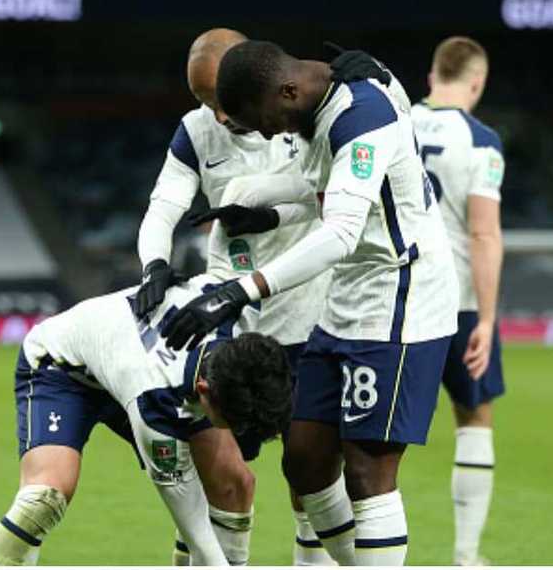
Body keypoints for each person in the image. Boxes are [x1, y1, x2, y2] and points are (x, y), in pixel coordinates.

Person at [162, 40, 460, 566]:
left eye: (264, 119)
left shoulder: (360, 117)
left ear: (288, 90)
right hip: (347, 299)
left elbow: (341, 232)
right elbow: (310, 182)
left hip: (400, 299)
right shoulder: (321, 107)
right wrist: (252, 201)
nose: (270, 133)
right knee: (303, 457)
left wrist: (242, 288)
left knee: (367, 469)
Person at [136, 28, 386, 566]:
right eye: (203, 100)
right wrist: (154, 263)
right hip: (231, 323)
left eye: (218, 96)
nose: (217, 113)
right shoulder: (196, 131)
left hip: (306, 312)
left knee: (311, 465)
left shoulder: (305, 119)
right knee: (219, 473)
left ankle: (311, 561)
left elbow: (327, 203)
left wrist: (270, 216)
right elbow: (164, 205)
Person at [0, 276, 293, 566]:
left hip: (132, 364)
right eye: (231, 422)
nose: (236, 432)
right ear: (204, 389)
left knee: (233, 484)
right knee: (44, 498)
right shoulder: (154, 400)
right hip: (63, 369)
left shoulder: (234, 307)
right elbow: (191, 518)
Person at [411, 36, 505, 566]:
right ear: (477, 82)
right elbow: (484, 234)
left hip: (397, 294)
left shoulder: (395, 123)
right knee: (473, 416)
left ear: (431, 76)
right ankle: (467, 556)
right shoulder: (482, 140)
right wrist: (487, 319)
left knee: (377, 433)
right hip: (460, 299)